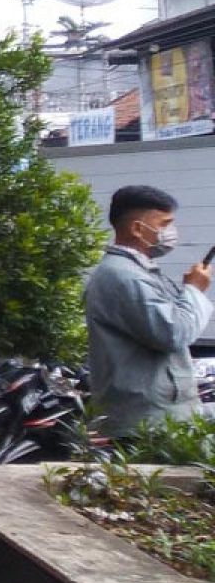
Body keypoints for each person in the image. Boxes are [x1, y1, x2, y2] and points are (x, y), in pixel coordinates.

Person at [84, 185, 212, 438]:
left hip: (162, 416)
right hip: (147, 423)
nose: (170, 232)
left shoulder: (137, 272)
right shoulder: (123, 276)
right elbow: (174, 332)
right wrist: (195, 290)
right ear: (137, 229)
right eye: (164, 224)